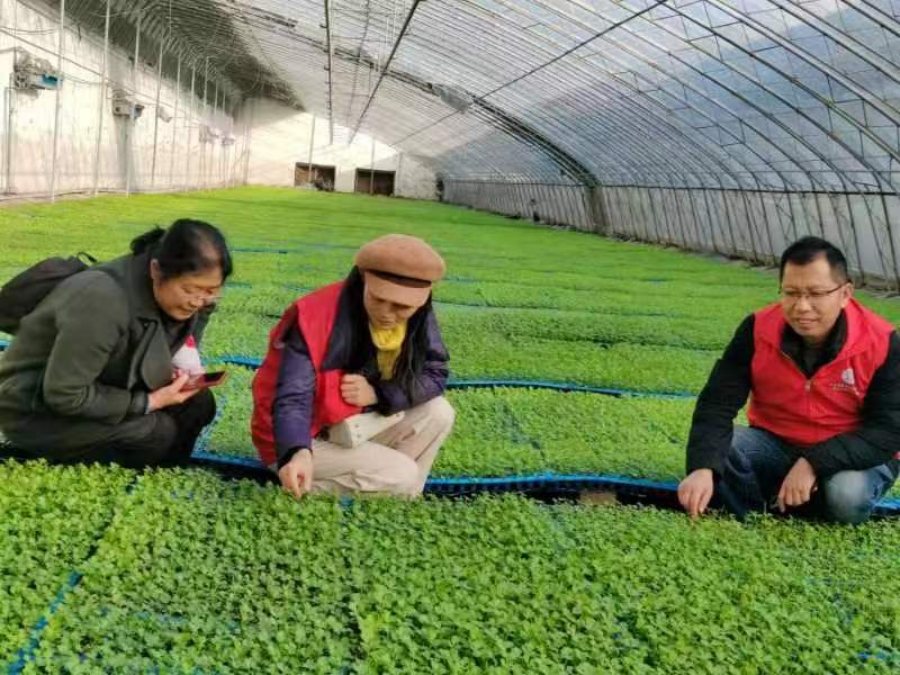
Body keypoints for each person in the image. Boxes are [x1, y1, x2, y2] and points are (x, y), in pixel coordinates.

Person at [678, 236, 900, 524]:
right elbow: (717, 402)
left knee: (846, 495)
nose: (802, 306)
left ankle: (809, 501)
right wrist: (702, 467)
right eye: (791, 293)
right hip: (777, 444)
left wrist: (813, 462)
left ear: (845, 293)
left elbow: (888, 431)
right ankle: (757, 518)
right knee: (723, 451)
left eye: (816, 293)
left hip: (852, 456)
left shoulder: (881, 343)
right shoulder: (757, 329)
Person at [0, 219, 232, 468]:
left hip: (103, 383)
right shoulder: (102, 300)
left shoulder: (184, 298)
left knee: (198, 405)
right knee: (155, 434)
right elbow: (64, 395)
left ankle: (166, 471)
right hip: (37, 410)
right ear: (156, 270)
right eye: (190, 290)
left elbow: (171, 344)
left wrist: (176, 371)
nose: (197, 301)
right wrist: (150, 402)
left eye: (210, 292)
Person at [252, 234, 455, 498]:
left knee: (438, 412)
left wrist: (379, 393)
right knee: (403, 474)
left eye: (401, 307)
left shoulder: (418, 315)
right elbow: (293, 396)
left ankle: (393, 487)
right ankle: (302, 484)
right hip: (300, 436)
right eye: (378, 299)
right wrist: (296, 451)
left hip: (351, 423)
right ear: (361, 279)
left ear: (422, 300)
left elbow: (435, 373)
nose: (387, 313)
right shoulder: (315, 315)